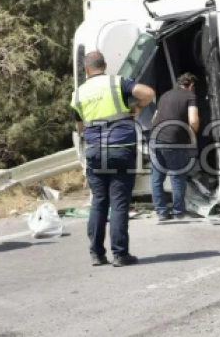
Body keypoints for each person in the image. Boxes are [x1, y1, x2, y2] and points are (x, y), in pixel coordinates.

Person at [72, 51, 155, 267]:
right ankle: (120, 254)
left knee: (99, 202)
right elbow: (148, 93)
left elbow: (80, 127)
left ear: (86, 69)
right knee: (118, 203)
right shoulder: (117, 83)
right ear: (105, 65)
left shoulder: (78, 93)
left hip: (95, 151)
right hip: (120, 148)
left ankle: (97, 254)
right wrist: (136, 108)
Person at [150, 72, 200, 222]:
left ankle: (161, 212)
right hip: (174, 141)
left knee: (157, 177)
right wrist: (192, 136)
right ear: (191, 86)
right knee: (177, 176)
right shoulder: (190, 96)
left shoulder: (165, 95)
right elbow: (193, 120)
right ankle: (178, 212)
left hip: (155, 138)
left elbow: (154, 119)